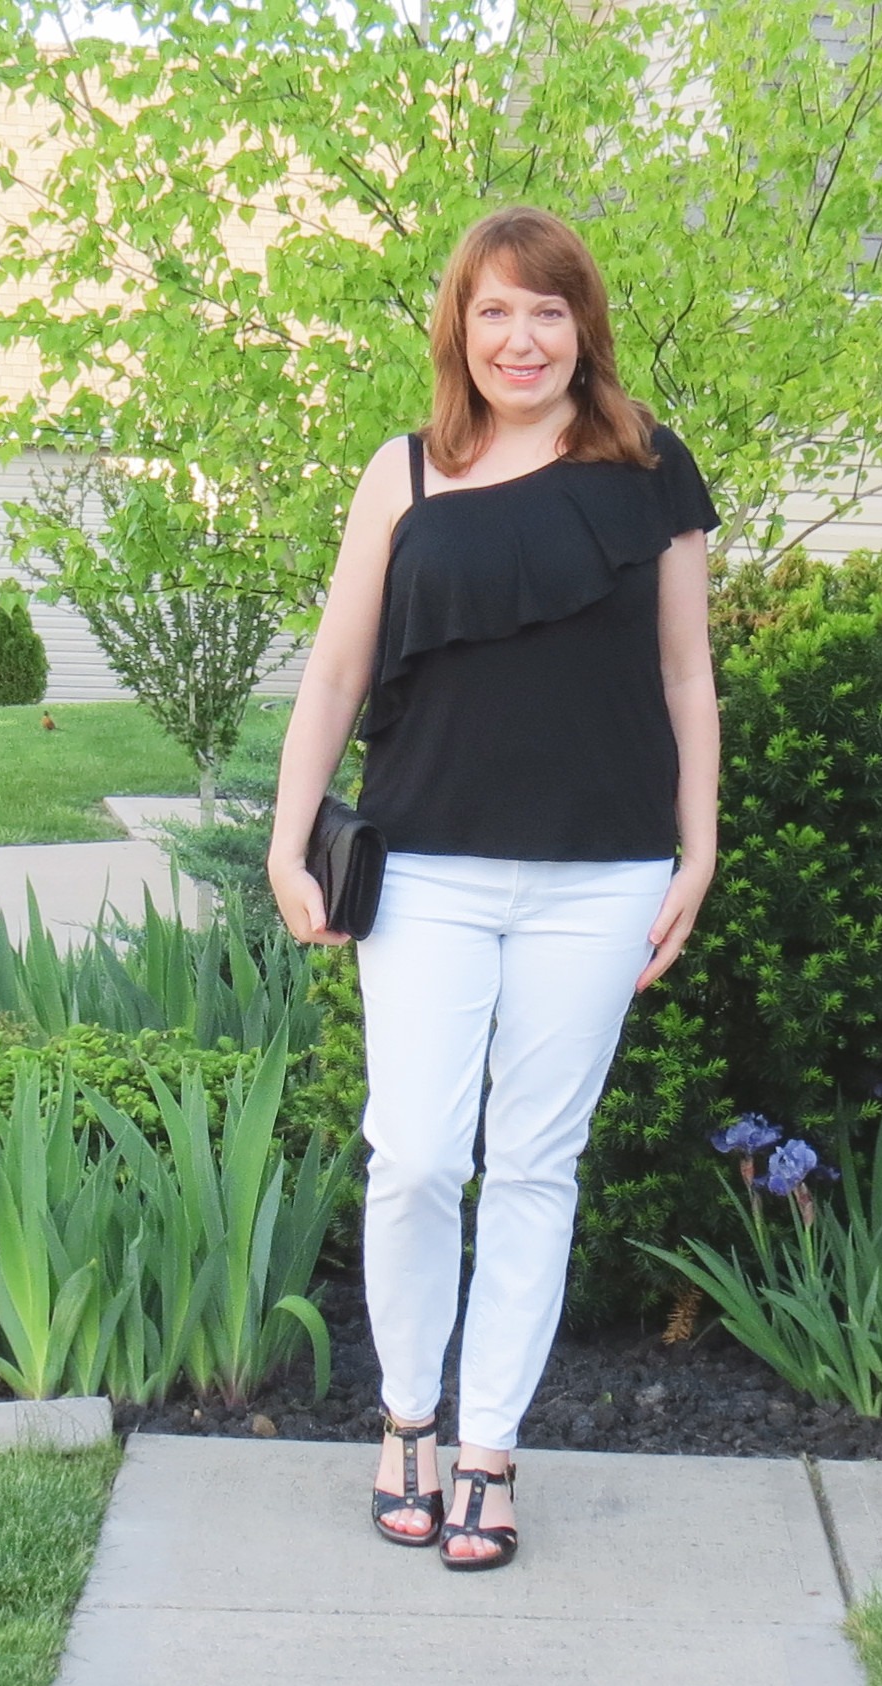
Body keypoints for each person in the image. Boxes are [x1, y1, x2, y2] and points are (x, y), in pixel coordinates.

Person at [267, 204, 721, 1570]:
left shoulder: (651, 471)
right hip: (430, 872)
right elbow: (338, 673)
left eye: (547, 310)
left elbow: (687, 672)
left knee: (534, 1164)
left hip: (603, 875)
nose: (520, 338)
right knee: (414, 1154)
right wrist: (288, 841)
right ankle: (406, 1413)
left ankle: (487, 1448)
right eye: (494, 311)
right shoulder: (403, 475)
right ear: (459, 330)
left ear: (583, 326)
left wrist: (698, 849)